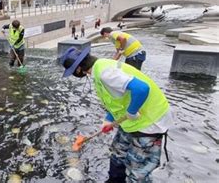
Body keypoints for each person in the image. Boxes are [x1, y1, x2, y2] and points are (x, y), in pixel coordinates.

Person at [59, 47, 172, 183]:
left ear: (78, 69)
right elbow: (116, 99)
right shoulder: (99, 68)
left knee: (137, 169)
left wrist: (131, 111)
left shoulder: (104, 73)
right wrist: (109, 119)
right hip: (131, 121)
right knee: (118, 152)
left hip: (149, 121)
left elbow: (142, 89)